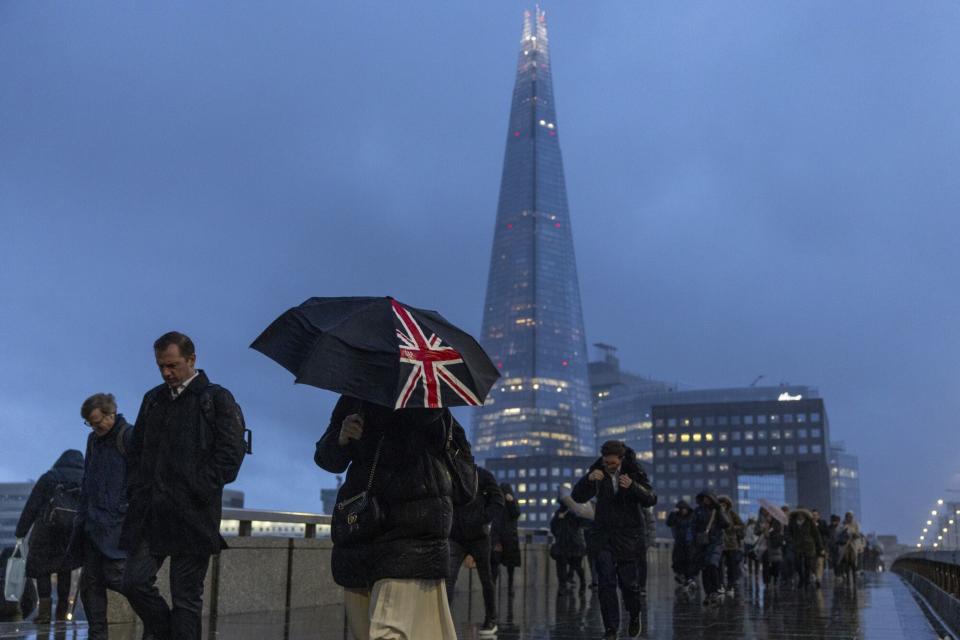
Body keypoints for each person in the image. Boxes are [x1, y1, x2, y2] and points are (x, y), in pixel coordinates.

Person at [121, 332, 247, 640]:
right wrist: (137, 490)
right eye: (161, 366)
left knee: (186, 600)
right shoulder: (153, 399)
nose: (166, 373)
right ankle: (165, 632)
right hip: (152, 513)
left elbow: (231, 455)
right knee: (133, 582)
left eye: (172, 365)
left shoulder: (215, 398)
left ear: (191, 360)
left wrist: (197, 489)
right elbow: (136, 451)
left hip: (193, 516)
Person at [316, 395, 464, 640]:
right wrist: (341, 437)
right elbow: (327, 459)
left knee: (386, 631)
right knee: (365, 631)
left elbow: (441, 454)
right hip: (360, 529)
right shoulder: (356, 397)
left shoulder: (430, 401)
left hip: (410, 531)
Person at [78, 393, 148, 639]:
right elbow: (88, 479)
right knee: (90, 586)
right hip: (93, 526)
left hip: (117, 528)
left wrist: (124, 509)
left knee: (125, 582)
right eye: (90, 423)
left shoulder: (128, 436)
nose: (95, 428)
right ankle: (98, 636)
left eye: (97, 422)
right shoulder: (93, 440)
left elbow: (142, 479)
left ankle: (157, 623)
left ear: (111, 414)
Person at [572, 441, 656, 640]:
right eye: (605, 461)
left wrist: (633, 486)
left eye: (612, 462)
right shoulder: (597, 473)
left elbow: (651, 498)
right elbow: (577, 496)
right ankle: (611, 629)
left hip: (628, 537)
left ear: (620, 459)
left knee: (629, 585)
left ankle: (635, 615)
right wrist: (589, 480)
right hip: (604, 536)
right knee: (606, 583)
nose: (608, 465)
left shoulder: (634, 472)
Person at [15, 450, 84, 624]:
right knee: (65, 570)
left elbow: (33, 504)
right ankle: (62, 614)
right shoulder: (85, 479)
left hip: (46, 532)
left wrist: (21, 531)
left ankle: (44, 614)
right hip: (71, 533)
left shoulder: (50, 477)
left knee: (42, 570)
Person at [448, 465, 504, 636]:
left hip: (479, 537)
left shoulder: (483, 475)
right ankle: (444, 620)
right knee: (448, 579)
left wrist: (480, 519)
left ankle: (491, 619)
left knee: (486, 579)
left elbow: (498, 501)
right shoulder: (451, 475)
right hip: (456, 537)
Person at [692, 489, 729, 606]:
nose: (706, 500)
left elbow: (726, 524)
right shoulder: (698, 511)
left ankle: (715, 590)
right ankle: (708, 593)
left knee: (712, 564)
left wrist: (719, 510)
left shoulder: (717, 510)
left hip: (716, 542)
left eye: (708, 498)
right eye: (704, 498)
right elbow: (693, 526)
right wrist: (695, 538)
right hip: (702, 543)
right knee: (705, 568)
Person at [490, 482, 522, 597]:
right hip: (499, 538)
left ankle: (510, 586)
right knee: (494, 563)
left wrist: (511, 502)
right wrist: (495, 540)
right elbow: (495, 521)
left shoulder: (512, 502)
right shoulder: (497, 503)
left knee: (510, 565)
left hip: (510, 538)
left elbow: (516, 513)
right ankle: (492, 586)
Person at [550, 499, 587, 594]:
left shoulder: (575, 512)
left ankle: (583, 583)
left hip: (575, 544)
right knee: (561, 566)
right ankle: (562, 586)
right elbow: (553, 527)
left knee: (577, 565)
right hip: (562, 543)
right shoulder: (558, 513)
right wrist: (559, 519)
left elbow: (583, 523)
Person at [787, 508, 823, 589]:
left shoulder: (809, 522)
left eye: (802, 514)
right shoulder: (792, 522)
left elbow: (816, 534)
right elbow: (788, 533)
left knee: (808, 564)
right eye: (799, 514)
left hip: (808, 546)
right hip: (797, 546)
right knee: (797, 564)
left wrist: (820, 547)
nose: (800, 515)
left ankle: (807, 580)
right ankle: (801, 577)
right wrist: (791, 540)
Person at [667, 500, 697, 592]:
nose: (683, 511)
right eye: (681, 509)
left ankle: (689, 578)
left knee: (690, 560)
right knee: (678, 560)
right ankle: (682, 576)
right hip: (679, 542)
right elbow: (669, 523)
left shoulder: (693, 516)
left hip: (690, 542)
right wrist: (672, 513)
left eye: (684, 509)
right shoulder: (676, 516)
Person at [717, 496, 743, 595]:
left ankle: (730, 585)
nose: (722, 506)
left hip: (731, 544)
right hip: (719, 543)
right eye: (721, 504)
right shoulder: (716, 514)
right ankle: (721, 584)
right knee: (719, 566)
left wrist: (732, 527)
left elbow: (741, 525)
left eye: (724, 504)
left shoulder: (731, 514)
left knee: (731, 566)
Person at [757, 508, 784, 587]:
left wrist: (768, 530)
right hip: (765, 547)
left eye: (769, 514)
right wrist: (763, 528)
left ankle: (775, 578)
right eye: (767, 514)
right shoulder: (762, 522)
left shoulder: (777, 523)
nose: (768, 516)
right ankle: (766, 581)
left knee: (776, 564)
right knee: (765, 564)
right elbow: (757, 532)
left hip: (774, 546)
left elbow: (774, 534)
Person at [811, 509, 831, 585]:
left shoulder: (823, 523)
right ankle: (814, 575)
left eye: (816, 515)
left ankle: (818, 579)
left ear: (819, 516)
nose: (814, 516)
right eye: (813, 515)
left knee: (820, 562)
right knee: (812, 563)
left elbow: (827, 533)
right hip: (811, 547)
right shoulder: (809, 524)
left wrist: (818, 527)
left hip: (821, 546)